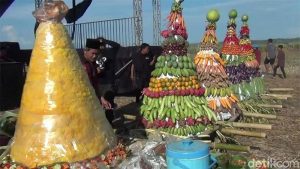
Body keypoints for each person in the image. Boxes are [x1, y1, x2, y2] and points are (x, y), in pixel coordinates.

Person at [81, 38, 119, 124]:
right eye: (92, 53)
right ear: (85, 51)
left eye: (96, 54)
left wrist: (101, 98)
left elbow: (94, 84)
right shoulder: (83, 65)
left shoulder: (93, 63)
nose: (94, 56)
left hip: (102, 87)